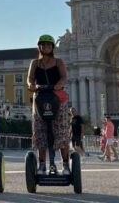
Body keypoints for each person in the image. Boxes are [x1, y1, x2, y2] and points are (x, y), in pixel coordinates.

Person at [28, 34, 72, 175]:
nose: (45, 47)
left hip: (57, 98)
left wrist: (58, 85)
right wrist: (32, 86)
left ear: (52, 47)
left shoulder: (59, 62)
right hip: (40, 97)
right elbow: (30, 79)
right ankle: (42, 165)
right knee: (40, 131)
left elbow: (64, 77)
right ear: (39, 46)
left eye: (48, 44)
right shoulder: (35, 63)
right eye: (43, 44)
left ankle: (65, 165)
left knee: (61, 131)